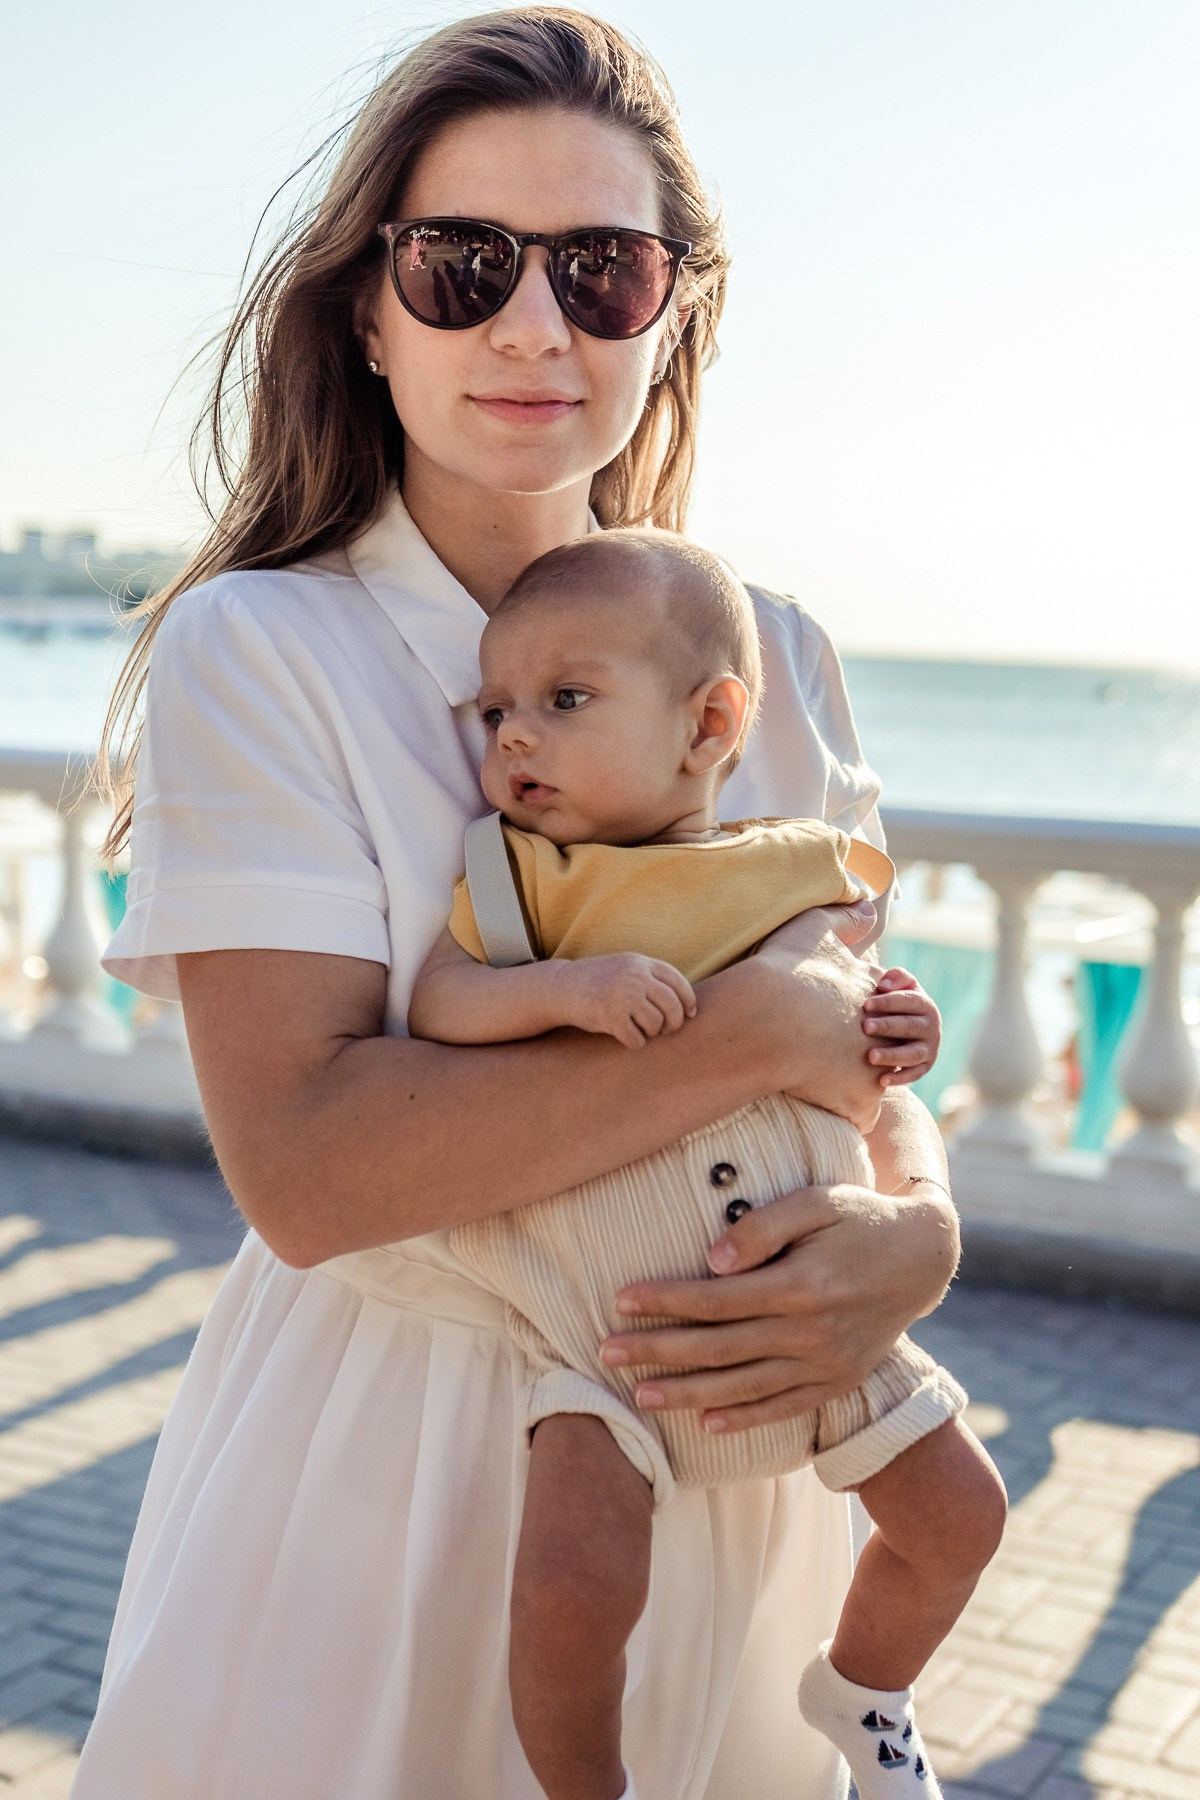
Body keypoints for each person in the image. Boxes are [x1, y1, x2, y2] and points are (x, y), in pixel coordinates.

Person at [78, 11, 964, 1798]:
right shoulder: (264, 647)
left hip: (739, 1448)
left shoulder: (769, 650)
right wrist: (753, 1033)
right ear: (369, 307)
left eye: (605, 270)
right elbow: (314, 1173)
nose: (535, 326)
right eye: (465, 264)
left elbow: (859, 1049)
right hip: (389, 1464)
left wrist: (919, 1234)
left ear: (677, 311)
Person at [409, 529, 1006, 1800]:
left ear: (711, 722)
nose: (514, 736)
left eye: (565, 702)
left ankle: (864, 1686)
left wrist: (906, 1029)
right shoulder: (515, 885)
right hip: (609, 1348)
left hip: (811, 1310)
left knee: (965, 1515)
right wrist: (563, 990)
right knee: (571, 1585)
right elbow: (440, 1004)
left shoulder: (789, 870)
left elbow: (854, 1032)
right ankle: (590, 1789)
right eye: (498, 708)